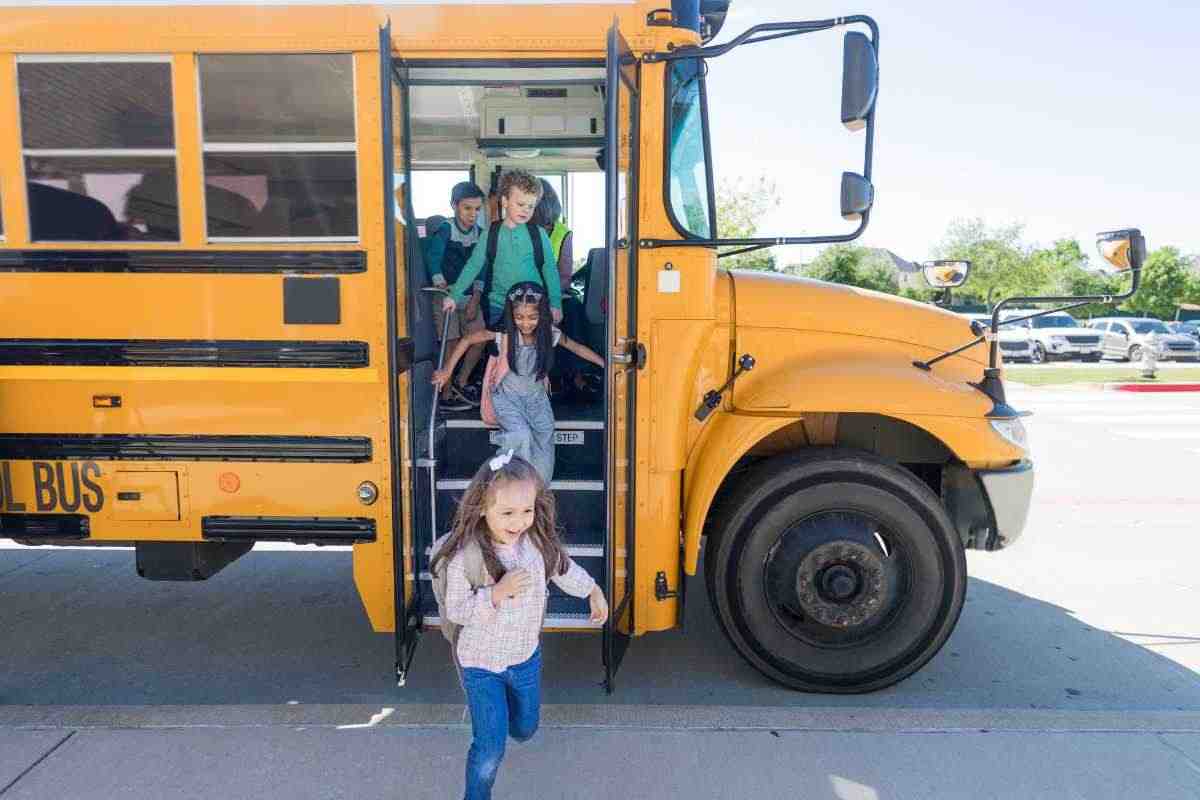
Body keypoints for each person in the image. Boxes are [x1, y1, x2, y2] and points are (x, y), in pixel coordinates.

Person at [429, 452, 609, 800]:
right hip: (480, 666)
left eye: (527, 511)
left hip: (525, 659)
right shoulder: (466, 555)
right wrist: (495, 593)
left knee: (526, 728)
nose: (519, 521)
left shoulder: (536, 545)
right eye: (507, 513)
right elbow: (457, 609)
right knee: (489, 749)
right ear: (482, 507)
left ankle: (505, 720)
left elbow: (563, 569)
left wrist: (593, 590)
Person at [432, 281, 604, 483]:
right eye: (519, 317)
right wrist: (446, 371)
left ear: (542, 315)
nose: (525, 323)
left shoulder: (549, 334)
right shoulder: (504, 334)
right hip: (508, 399)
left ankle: (538, 491)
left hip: (537, 401)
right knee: (520, 436)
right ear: (511, 316)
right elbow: (468, 339)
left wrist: (604, 363)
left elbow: (576, 347)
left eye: (533, 317)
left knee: (544, 439)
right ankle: (504, 479)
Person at [442, 169, 563, 331]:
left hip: (533, 306)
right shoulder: (490, 233)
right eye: (520, 204)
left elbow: (550, 268)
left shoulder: (539, 234)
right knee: (503, 353)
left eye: (531, 206)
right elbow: (473, 265)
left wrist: (555, 303)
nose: (526, 210)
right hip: (499, 306)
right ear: (505, 201)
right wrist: (454, 296)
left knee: (530, 354)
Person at [426, 182, 489, 410]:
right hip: (446, 295)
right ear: (454, 206)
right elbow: (433, 257)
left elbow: (481, 267)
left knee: (479, 340)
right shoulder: (445, 229)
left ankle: (462, 382)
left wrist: (476, 298)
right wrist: (439, 280)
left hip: (471, 296)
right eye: (467, 208)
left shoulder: (480, 235)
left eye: (477, 209)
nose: (473, 214)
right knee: (450, 344)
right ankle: (446, 392)